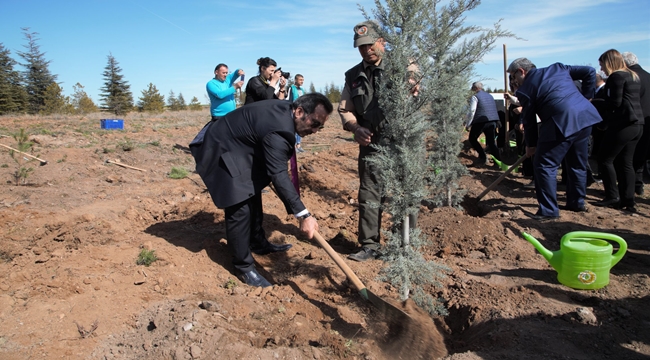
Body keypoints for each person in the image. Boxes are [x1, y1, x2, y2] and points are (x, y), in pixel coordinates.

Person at [189, 93, 333, 287]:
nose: (315, 130)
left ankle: (257, 243)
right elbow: (279, 174)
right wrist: (304, 215)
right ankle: (243, 266)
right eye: (315, 123)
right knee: (239, 203)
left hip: (239, 146)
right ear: (299, 112)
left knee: (253, 188)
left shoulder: (287, 112)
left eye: (320, 127)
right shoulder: (280, 130)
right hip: (219, 148)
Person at [338, 20, 417, 262]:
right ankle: (369, 245)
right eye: (361, 47)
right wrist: (355, 127)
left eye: (370, 45)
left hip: (401, 141)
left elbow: (414, 88)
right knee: (369, 194)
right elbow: (345, 109)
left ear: (382, 42)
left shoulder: (402, 65)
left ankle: (404, 245)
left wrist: (409, 74)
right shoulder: (353, 76)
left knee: (405, 192)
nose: (366, 50)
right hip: (371, 143)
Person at [508, 58, 602, 220]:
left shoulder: (525, 90)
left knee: (544, 165)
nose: (514, 81)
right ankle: (576, 202)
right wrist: (587, 98)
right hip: (585, 118)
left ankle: (549, 210)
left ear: (521, 71)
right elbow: (590, 71)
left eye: (513, 76)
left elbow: (529, 121)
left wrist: (531, 145)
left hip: (560, 123)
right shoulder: (557, 68)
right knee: (577, 163)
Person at [592, 49, 643, 212]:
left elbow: (614, 103)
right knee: (625, 162)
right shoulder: (633, 76)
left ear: (609, 62)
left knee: (604, 159)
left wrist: (594, 102)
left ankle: (612, 196)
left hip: (623, 124)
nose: (601, 69)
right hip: (637, 124)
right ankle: (628, 200)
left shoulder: (617, 77)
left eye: (602, 65)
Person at [622, 52, 650, 196]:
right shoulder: (648, 75)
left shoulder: (631, 78)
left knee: (629, 156)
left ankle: (632, 187)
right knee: (641, 154)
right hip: (647, 120)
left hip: (634, 120)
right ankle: (638, 185)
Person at [466, 81, 501, 166]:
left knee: (472, 139)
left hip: (480, 121)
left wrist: (468, 124)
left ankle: (482, 157)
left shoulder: (475, 97)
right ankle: (499, 161)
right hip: (492, 121)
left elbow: (472, 111)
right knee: (491, 142)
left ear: (475, 88)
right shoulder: (490, 95)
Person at [287, 74, 307, 153]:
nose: (302, 81)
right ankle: (294, 146)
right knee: (294, 128)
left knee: (300, 128)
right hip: (294, 111)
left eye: (303, 80)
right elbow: (288, 99)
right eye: (300, 80)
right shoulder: (291, 88)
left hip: (301, 112)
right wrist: (291, 109)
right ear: (296, 80)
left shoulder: (302, 90)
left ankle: (298, 145)